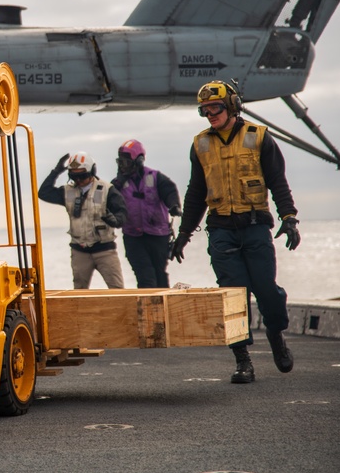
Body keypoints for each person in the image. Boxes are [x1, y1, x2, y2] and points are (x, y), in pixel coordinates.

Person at [171, 80, 300, 385]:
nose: (209, 114)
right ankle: (243, 362)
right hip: (221, 230)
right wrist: (184, 234)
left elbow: (277, 182)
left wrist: (290, 217)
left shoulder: (259, 137)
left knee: (267, 290)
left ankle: (276, 336)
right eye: (204, 110)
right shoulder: (200, 144)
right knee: (233, 298)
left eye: (214, 108)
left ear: (231, 106)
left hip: (255, 226)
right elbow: (195, 193)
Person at [39, 152, 127, 289]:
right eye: (74, 176)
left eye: (82, 176)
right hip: (79, 251)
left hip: (105, 250)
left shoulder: (107, 190)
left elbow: (122, 213)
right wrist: (56, 171)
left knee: (117, 288)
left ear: (92, 171)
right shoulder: (67, 191)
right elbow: (43, 193)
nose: (79, 180)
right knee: (79, 291)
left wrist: (114, 220)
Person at [111, 139, 182, 288]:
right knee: (145, 276)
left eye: (126, 162)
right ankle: (148, 308)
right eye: (121, 162)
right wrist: (118, 182)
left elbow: (169, 191)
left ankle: (163, 308)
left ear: (139, 161)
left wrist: (174, 206)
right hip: (133, 237)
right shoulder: (117, 184)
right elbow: (110, 202)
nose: (123, 166)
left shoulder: (155, 177)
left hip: (158, 235)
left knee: (160, 275)